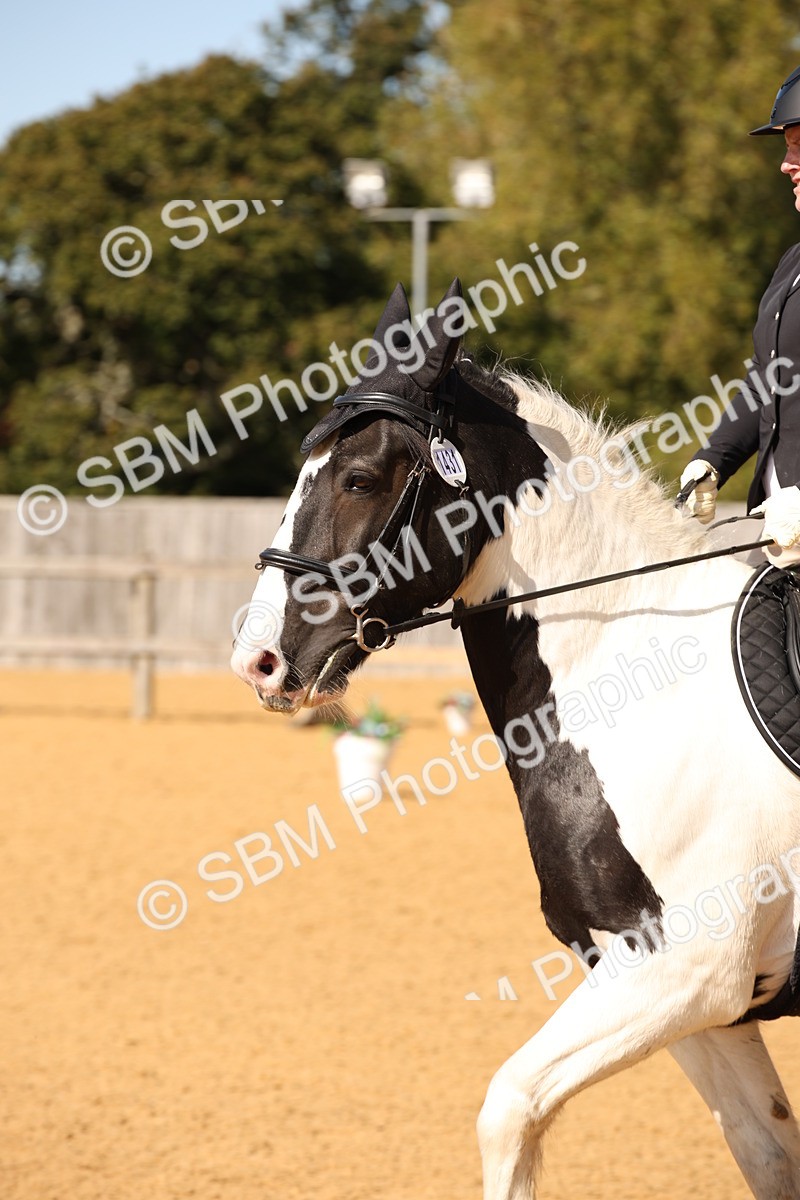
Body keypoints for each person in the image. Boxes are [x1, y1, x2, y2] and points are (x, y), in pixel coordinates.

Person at [680, 65, 800, 566]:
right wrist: (714, 458)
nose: (786, 165)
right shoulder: (792, 263)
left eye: (798, 147)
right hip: (777, 533)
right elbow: (768, 379)